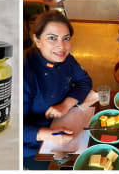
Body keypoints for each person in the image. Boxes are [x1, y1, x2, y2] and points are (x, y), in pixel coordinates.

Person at [23, 10, 92, 168]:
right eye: (52, 38)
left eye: (66, 38)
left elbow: (84, 81)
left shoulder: (66, 59)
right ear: (37, 40)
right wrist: (48, 135)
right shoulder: (26, 72)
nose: (61, 46)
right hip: (34, 145)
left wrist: (65, 105)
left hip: (66, 123)